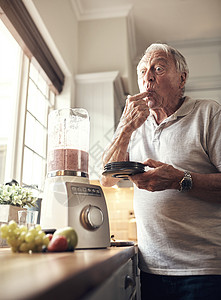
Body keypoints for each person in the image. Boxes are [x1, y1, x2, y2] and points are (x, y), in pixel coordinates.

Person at [101, 43, 221, 300]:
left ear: (182, 78)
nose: (148, 77)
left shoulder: (209, 113)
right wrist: (124, 128)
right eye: (143, 72)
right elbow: (106, 179)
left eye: (158, 68)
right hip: (150, 269)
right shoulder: (133, 126)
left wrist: (180, 180)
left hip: (206, 271)